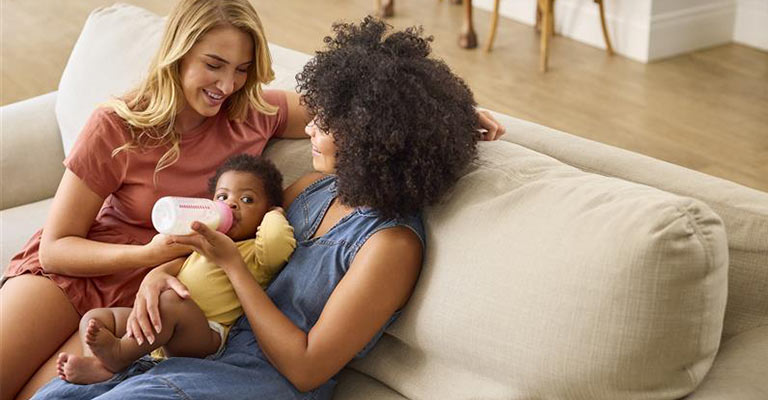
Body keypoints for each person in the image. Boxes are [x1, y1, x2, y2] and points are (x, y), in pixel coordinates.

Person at [0, 0, 505, 397]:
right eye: (214, 65)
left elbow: (375, 104)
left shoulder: (253, 113)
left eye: (242, 69)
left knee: (47, 393)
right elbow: (57, 247)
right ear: (178, 54)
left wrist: (451, 113)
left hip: (159, 293)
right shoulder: (116, 125)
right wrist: (150, 260)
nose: (228, 85)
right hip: (83, 269)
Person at [55, 153, 296, 385]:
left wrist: (274, 213)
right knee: (96, 317)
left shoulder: (257, 252)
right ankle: (98, 366)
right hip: (164, 323)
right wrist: (159, 271)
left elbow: (278, 239)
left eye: (247, 200)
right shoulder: (204, 241)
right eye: (222, 197)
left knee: (171, 302)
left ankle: (119, 354)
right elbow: (177, 266)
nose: (231, 204)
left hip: (205, 333)